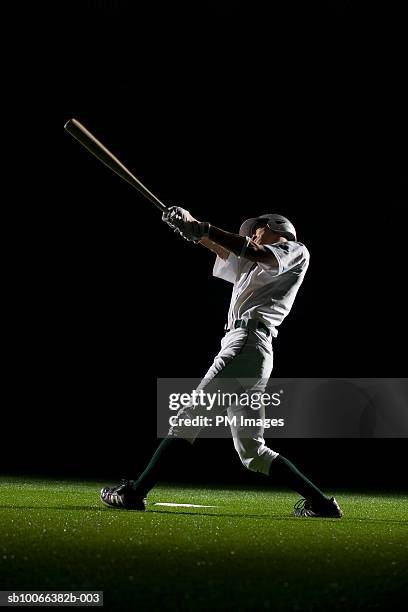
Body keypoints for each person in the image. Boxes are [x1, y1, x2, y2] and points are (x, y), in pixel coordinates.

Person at [100, 207, 343, 518]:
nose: (252, 233)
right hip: (249, 349)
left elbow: (252, 250)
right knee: (253, 454)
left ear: (275, 227)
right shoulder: (253, 263)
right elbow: (228, 251)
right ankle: (321, 503)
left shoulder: (294, 250)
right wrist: (191, 230)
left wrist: (204, 227)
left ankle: (136, 492)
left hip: (247, 343)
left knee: (189, 418)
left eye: (257, 228)